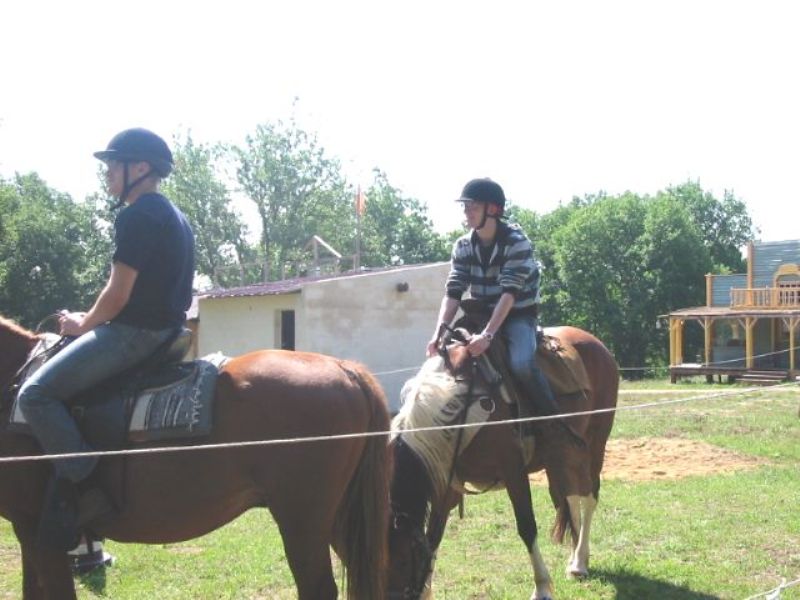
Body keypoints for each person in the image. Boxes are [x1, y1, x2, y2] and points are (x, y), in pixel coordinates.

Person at [18, 128, 195, 550]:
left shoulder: (136, 215)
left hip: (134, 334)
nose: (108, 174)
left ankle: (86, 484)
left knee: (36, 394)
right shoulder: (173, 216)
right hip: (166, 332)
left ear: (140, 168)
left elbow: (118, 294)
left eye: (114, 165)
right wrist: (91, 317)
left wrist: (83, 324)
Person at [426, 177, 582, 444]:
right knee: (444, 362)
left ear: (493, 210)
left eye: (473, 207)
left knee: (521, 363)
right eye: (465, 207)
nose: (467, 212)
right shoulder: (463, 246)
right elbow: (453, 292)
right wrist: (438, 333)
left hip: (517, 315)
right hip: (477, 314)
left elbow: (509, 294)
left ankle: (552, 422)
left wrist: (487, 336)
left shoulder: (517, 242)